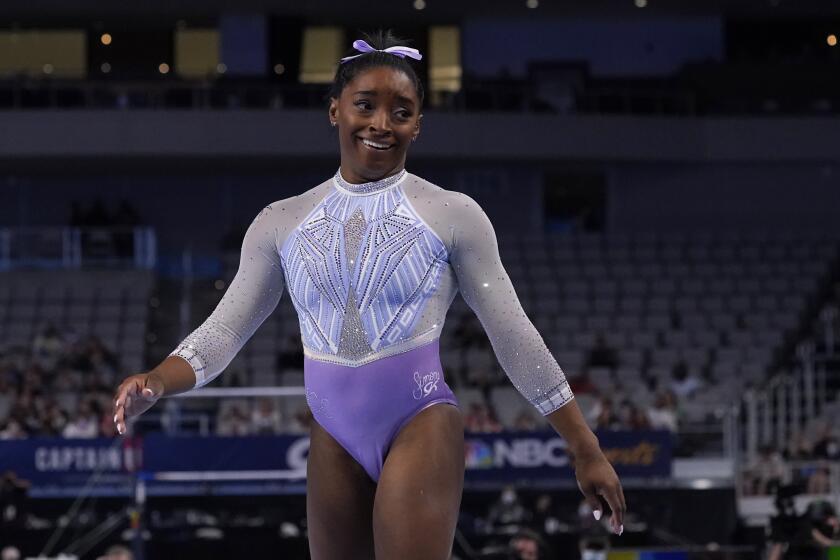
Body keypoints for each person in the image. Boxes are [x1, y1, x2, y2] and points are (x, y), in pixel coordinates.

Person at [112, 30, 625, 559]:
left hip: (419, 421)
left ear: (418, 125)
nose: (382, 124)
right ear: (335, 110)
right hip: (333, 434)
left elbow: (513, 334)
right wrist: (157, 380)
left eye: (401, 112)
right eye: (365, 105)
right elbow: (224, 330)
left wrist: (585, 448)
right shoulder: (281, 221)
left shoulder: (453, 214)